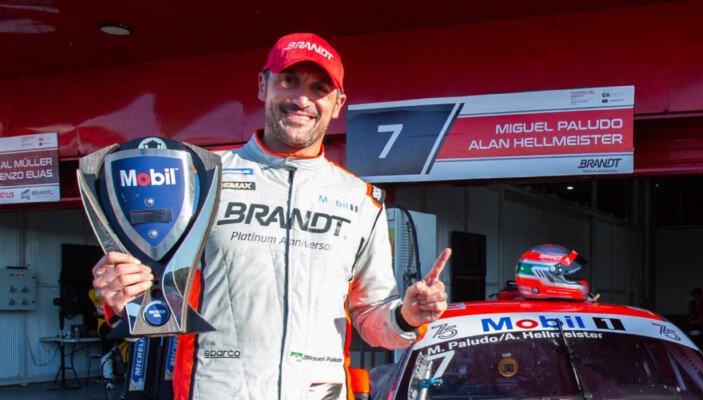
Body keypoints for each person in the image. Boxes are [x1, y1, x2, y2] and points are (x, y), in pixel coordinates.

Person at [89, 33, 452, 400]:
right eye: (288, 81)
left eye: (319, 87)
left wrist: (406, 316)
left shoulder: (361, 200)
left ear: (338, 103)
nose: (301, 98)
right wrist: (123, 295)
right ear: (263, 85)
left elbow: (373, 321)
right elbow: (151, 287)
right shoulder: (200, 177)